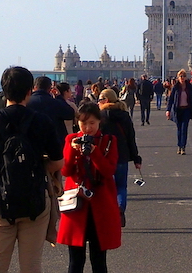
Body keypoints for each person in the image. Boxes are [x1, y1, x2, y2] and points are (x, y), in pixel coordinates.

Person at [0, 66, 64, 273]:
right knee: (31, 266)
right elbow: (58, 161)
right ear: (29, 90)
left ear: (4, 90)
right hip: (35, 200)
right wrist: (41, 165)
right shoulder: (42, 121)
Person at [58, 102, 121, 273]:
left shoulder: (109, 141)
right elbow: (66, 171)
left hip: (101, 204)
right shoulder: (71, 139)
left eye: (92, 123)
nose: (87, 128)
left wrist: (93, 152)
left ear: (100, 121)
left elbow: (108, 171)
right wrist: (73, 151)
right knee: (75, 261)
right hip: (76, 205)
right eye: (83, 123)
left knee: (99, 260)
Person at [99, 89, 141, 225]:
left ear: (106, 100)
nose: (98, 102)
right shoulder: (124, 115)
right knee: (121, 186)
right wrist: (136, 158)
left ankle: (108, 212)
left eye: (100, 100)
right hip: (122, 155)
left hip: (105, 156)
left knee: (105, 186)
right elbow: (131, 137)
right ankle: (120, 208)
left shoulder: (100, 116)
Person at [27, 76, 76, 148]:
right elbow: (70, 114)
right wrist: (59, 97)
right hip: (54, 144)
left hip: (31, 144)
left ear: (35, 87)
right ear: (50, 89)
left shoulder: (27, 103)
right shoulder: (56, 103)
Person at [166, 69, 192, 155]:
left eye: (183, 76)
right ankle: (179, 145)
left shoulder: (189, 87)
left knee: (184, 129)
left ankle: (183, 147)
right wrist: (168, 110)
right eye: (180, 76)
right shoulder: (175, 87)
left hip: (186, 110)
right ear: (178, 78)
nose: (182, 78)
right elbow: (171, 99)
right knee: (179, 129)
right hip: (178, 110)